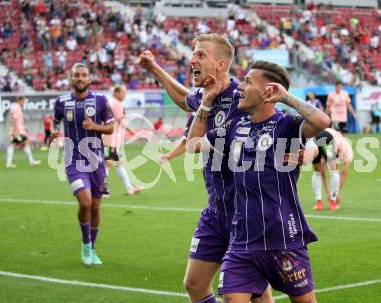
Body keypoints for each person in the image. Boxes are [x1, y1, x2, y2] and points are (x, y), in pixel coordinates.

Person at [139, 34, 274, 303]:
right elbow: (184, 98)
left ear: (221, 64)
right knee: (195, 285)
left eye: (201, 54)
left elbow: (276, 121)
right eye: (193, 53)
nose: (192, 59)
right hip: (215, 211)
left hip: (245, 214)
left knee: (247, 296)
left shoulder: (243, 98)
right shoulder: (205, 95)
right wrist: (154, 68)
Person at [187, 60, 329, 303]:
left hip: (283, 238)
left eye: (248, 82)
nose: (240, 87)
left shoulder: (285, 126)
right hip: (241, 241)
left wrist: (286, 98)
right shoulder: (234, 128)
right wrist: (206, 103)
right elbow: (192, 144)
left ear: (267, 92)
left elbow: (321, 122)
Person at [52, 63, 114, 266]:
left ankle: (92, 248)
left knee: (96, 208)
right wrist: (54, 132)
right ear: (71, 79)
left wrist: (94, 126)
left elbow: (112, 126)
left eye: (83, 75)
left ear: (89, 79)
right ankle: (85, 244)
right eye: (76, 75)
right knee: (85, 202)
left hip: (96, 162)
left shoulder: (100, 100)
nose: (80, 78)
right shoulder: (61, 102)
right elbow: (55, 121)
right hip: (74, 160)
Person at [102, 84, 143, 196]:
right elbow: (120, 121)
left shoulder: (111, 102)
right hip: (111, 139)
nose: (125, 95)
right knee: (108, 163)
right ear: (116, 93)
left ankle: (129, 188)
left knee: (117, 163)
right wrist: (133, 131)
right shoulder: (116, 103)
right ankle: (103, 190)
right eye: (123, 93)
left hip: (109, 138)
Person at [310, 128, 353, 211]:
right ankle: (332, 202)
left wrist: (328, 193)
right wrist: (336, 194)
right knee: (334, 171)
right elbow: (344, 173)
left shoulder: (336, 135)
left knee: (316, 172)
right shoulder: (347, 150)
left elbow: (323, 171)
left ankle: (319, 203)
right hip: (327, 138)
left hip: (315, 138)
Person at [6, 96, 41, 168]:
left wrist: (23, 128)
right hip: (18, 130)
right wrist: (16, 131)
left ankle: (9, 163)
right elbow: (15, 120)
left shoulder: (14, 107)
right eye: (24, 101)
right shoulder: (17, 108)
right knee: (23, 143)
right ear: (20, 100)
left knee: (16, 144)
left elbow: (16, 120)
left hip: (18, 129)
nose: (24, 103)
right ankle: (31, 161)